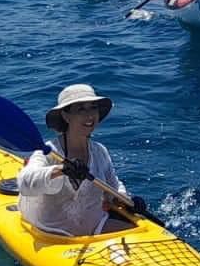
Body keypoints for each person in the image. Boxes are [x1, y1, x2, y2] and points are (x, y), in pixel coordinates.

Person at [14, 84, 144, 237]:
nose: (89, 115)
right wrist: (61, 170)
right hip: (53, 232)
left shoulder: (100, 151)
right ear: (66, 116)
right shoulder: (48, 153)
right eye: (81, 109)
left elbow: (113, 187)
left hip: (95, 226)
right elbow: (25, 183)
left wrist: (125, 200)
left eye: (93, 107)